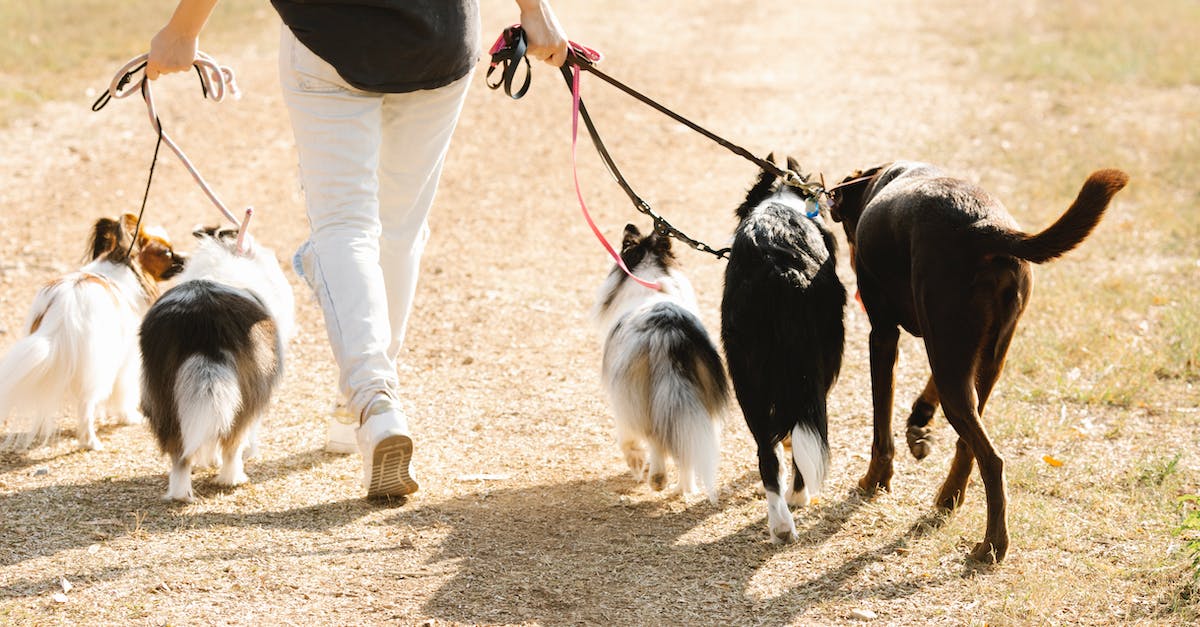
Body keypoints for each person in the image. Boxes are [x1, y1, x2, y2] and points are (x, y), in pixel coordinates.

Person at [148, 0, 568, 498]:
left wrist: (184, 29)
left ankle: (374, 402)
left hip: (330, 36)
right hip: (437, 36)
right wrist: (535, 10)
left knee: (345, 229)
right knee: (400, 231)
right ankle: (365, 406)